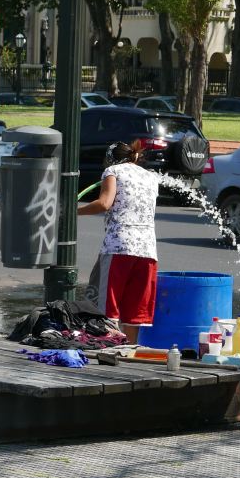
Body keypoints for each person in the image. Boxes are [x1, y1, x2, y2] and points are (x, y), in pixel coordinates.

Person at [77, 139, 161, 344]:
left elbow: (104, 203)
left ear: (110, 160)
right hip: (147, 251)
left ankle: (109, 349)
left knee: (109, 308)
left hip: (119, 247)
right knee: (134, 312)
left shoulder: (113, 171)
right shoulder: (151, 177)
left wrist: (73, 211)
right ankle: (129, 351)